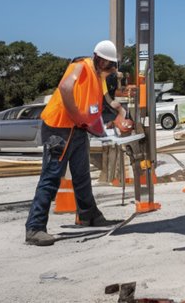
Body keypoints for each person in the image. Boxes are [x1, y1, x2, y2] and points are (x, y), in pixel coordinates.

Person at [25, 40, 129, 246]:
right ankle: (34, 228)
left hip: (78, 130)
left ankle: (89, 216)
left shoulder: (98, 76)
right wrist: (75, 114)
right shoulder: (80, 65)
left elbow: (108, 101)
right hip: (59, 128)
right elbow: (65, 87)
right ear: (99, 60)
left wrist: (121, 113)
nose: (110, 70)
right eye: (109, 66)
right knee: (51, 177)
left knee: (81, 175)